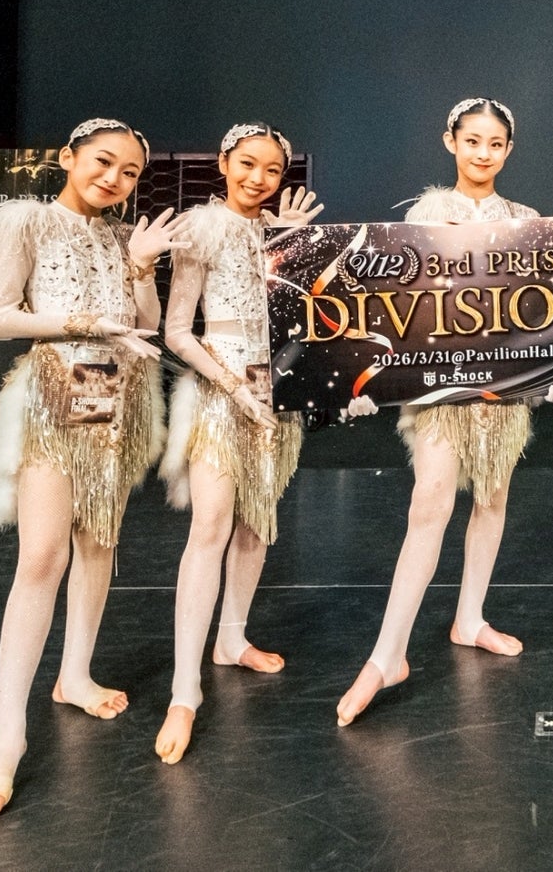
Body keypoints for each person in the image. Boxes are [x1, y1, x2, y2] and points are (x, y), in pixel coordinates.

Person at [0, 118, 187, 822]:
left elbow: (146, 323)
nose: (114, 179)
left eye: (129, 172)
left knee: (99, 543)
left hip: (116, 400)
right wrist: (85, 324)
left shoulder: (125, 236)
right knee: (42, 556)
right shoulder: (28, 222)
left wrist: (142, 268)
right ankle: (6, 737)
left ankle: (76, 675)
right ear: (68, 157)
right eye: (102, 162)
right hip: (56, 392)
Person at [335, 98, 553, 725]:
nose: (483, 153)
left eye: (495, 144)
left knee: (492, 501)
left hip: (502, 390)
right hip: (441, 389)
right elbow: (403, 301)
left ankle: (470, 617)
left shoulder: (526, 219)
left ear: (508, 150)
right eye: (473, 141)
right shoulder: (424, 214)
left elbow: (543, 307)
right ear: (451, 141)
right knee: (430, 504)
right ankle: (387, 654)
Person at [153, 122, 323, 764]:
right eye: (248, 164)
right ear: (224, 163)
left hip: (275, 393)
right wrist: (231, 385)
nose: (259, 178)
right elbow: (176, 330)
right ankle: (184, 689)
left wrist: (294, 247)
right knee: (211, 524)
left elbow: (304, 319)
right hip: (219, 394)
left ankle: (232, 637)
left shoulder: (283, 233)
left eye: (272, 169)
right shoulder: (201, 229)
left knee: (257, 523)